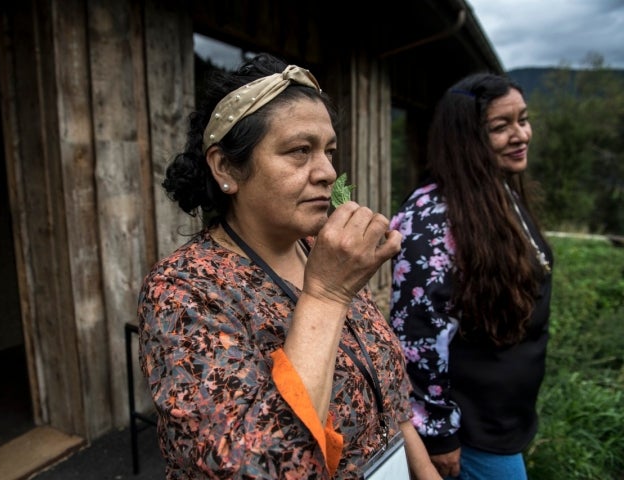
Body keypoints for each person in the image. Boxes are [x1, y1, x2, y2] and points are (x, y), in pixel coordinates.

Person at [138, 52, 440, 479]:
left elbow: (386, 392)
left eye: (329, 151)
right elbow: (256, 467)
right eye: (300, 151)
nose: (328, 172)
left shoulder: (323, 249)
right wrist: (327, 295)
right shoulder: (185, 289)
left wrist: (425, 471)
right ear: (226, 167)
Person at [389, 72, 554, 480]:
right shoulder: (432, 216)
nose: (521, 135)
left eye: (523, 119)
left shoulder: (500, 191)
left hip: (504, 422)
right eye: (501, 126)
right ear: (466, 140)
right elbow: (418, 335)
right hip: (471, 434)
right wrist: (439, 434)